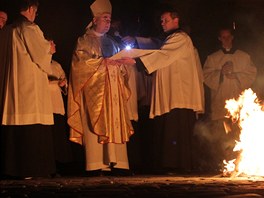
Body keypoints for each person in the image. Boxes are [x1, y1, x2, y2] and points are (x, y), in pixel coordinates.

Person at [119, 7, 204, 174]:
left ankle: (178, 164)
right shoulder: (171, 38)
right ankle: (171, 164)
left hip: (179, 94)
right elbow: (155, 45)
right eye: (161, 21)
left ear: (176, 20)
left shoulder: (180, 38)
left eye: (165, 20)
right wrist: (136, 40)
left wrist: (137, 62)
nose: (162, 23)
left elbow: (163, 55)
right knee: (169, 126)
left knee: (175, 127)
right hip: (172, 93)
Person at [67, 0, 134, 176]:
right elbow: (79, 65)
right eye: (105, 18)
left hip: (113, 89)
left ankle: (118, 163)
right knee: (93, 123)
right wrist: (104, 62)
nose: (108, 22)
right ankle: (96, 163)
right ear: (95, 20)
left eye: (110, 19)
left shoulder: (113, 41)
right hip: (94, 92)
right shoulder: (84, 41)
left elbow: (120, 66)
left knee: (115, 122)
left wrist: (123, 64)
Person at [0, 0, 57, 179]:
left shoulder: (7, 30)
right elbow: (40, 55)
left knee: (13, 129)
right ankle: (30, 169)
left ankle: (11, 168)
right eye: (36, 12)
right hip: (29, 87)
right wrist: (50, 48)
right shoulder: (30, 28)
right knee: (32, 127)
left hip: (11, 86)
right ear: (31, 9)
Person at [202, 26, 257, 171]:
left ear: (232, 38)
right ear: (219, 38)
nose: (225, 39)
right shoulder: (212, 58)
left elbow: (252, 74)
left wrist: (237, 76)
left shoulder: (244, 57)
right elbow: (205, 75)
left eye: (228, 37)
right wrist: (220, 73)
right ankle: (223, 164)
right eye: (222, 37)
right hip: (220, 102)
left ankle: (240, 164)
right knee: (221, 136)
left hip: (239, 103)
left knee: (238, 134)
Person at [47, 39, 73, 174]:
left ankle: (60, 164)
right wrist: (53, 82)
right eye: (51, 43)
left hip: (57, 104)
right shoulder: (39, 64)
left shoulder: (56, 64)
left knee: (58, 136)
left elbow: (64, 79)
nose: (55, 45)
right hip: (46, 104)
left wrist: (64, 83)